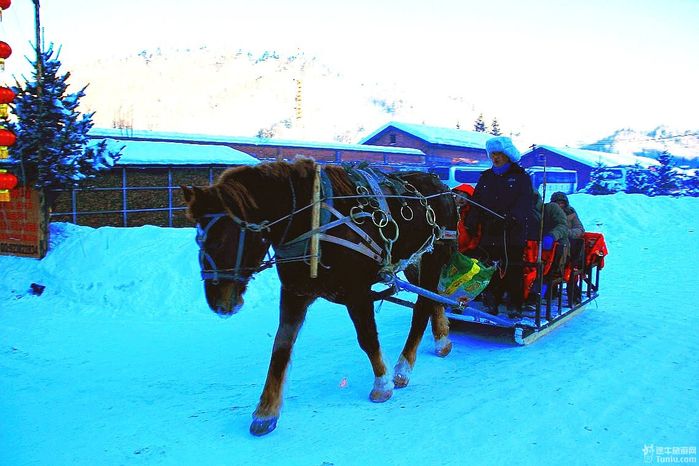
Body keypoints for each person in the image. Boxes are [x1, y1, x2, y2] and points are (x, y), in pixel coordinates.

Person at [464, 136, 533, 314]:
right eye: (492, 154)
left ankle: (514, 304)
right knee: (488, 268)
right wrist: (472, 220)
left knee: (513, 269)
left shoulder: (521, 177)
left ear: (508, 155)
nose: (495, 158)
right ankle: (491, 301)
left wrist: (513, 218)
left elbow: (525, 203)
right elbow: (476, 202)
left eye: (499, 154)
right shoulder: (486, 177)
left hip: (512, 233)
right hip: (489, 232)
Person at [550, 191, 585, 266]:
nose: (560, 205)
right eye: (557, 203)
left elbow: (580, 229)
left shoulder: (571, 214)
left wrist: (568, 232)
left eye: (561, 203)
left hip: (568, 241)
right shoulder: (549, 213)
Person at [452, 183, 481, 254]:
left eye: (465, 195)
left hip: (468, 252)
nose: (461, 198)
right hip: (450, 250)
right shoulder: (448, 212)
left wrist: (470, 248)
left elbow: (478, 234)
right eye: (459, 195)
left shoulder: (474, 214)